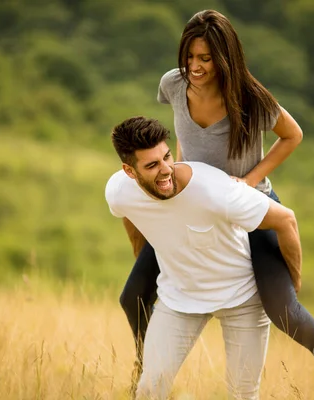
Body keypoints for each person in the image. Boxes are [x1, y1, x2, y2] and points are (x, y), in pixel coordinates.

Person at [119, 10, 314, 400]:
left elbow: (292, 134)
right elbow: (182, 141)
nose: (195, 67)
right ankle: (143, 363)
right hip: (192, 202)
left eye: (206, 59)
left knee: (282, 308)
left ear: (224, 57)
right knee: (132, 294)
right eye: (190, 56)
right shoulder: (172, 84)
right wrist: (180, 173)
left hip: (249, 205)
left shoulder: (249, 97)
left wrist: (250, 181)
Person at [106, 116, 303, 399]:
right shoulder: (118, 190)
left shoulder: (214, 188)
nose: (165, 170)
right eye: (152, 165)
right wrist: (143, 255)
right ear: (129, 171)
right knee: (149, 389)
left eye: (167, 157)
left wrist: (293, 282)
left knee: (243, 395)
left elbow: (286, 219)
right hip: (180, 300)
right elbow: (127, 210)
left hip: (242, 299)